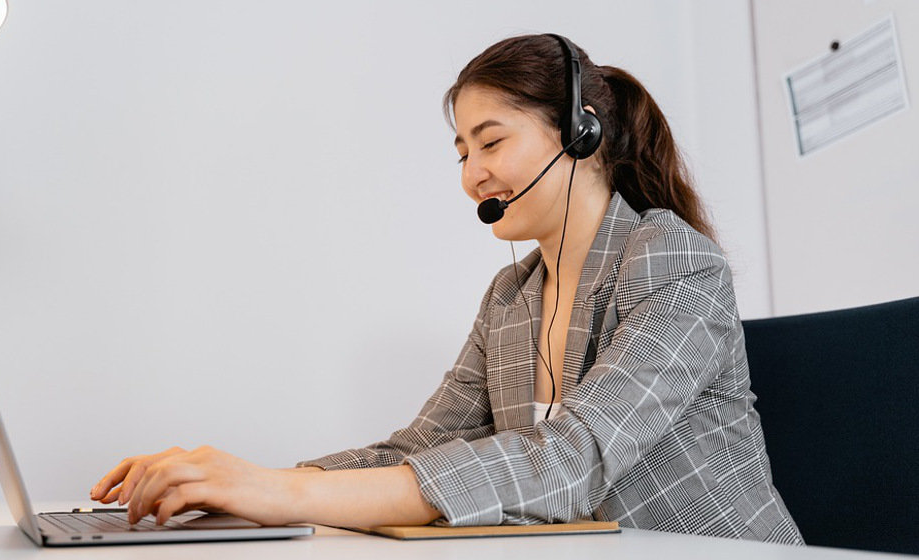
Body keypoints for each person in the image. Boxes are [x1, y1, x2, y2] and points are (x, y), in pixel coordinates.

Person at [88, 33, 804, 544]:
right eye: (462, 153)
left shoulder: (676, 262)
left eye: (492, 143)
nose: (471, 177)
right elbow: (416, 448)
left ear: (580, 135)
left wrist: (283, 495)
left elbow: (573, 458)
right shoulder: (512, 297)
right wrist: (244, 487)